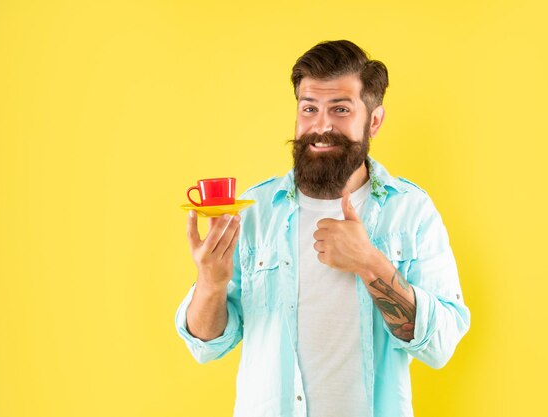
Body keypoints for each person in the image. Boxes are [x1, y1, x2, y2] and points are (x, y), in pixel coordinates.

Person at [175, 40, 470, 417]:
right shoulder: (255, 211)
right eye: (309, 108)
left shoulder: (410, 211)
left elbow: (441, 345)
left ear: (374, 120)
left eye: (341, 109)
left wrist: (370, 263)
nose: (322, 125)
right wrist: (211, 283)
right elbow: (206, 344)